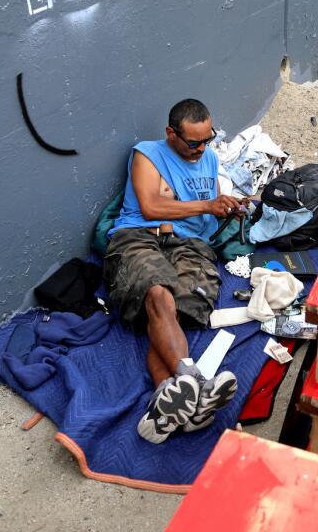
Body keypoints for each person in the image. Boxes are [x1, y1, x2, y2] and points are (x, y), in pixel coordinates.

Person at [105, 98, 248, 443]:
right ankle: (196, 383)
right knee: (157, 293)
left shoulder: (210, 158)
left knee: (176, 309)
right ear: (171, 134)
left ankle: (165, 400)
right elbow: (151, 206)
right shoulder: (147, 153)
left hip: (191, 246)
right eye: (193, 142)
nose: (202, 149)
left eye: (207, 139)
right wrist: (207, 204)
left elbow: (210, 206)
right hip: (142, 235)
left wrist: (227, 208)